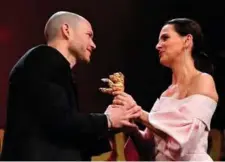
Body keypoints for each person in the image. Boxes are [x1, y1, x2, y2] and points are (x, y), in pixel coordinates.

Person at [0, 11, 140, 160]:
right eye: (89, 35)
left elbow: (64, 134)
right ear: (66, 31)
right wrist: (107, 120)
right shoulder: (42, 58)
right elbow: (61, 121)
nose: (93, 44)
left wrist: (114, 124)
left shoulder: (54, 68)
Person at [112, 18, 218, 161]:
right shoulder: (166, 94)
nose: (157, 46)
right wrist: (132, 127)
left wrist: (138, 112)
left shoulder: (203, 80)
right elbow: (150, 151)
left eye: (165, 38)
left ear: (187, 41)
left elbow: (185, 141)